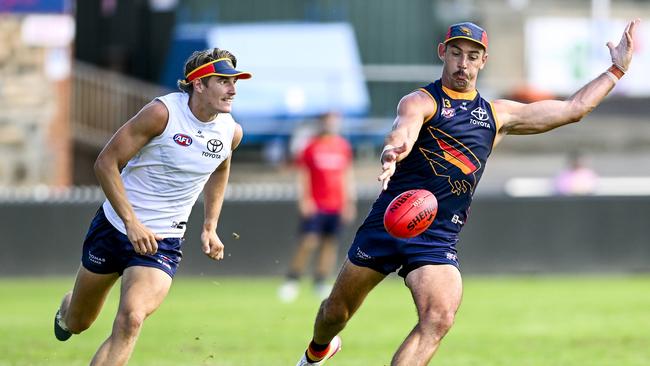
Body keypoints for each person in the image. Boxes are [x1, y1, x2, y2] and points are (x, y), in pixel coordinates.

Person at [295, 19, 640, 366]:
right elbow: (405, 127)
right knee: (335, 314)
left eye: (473, 56)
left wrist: (616, 69)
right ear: (442, 53)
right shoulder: (422, 100)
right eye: (457, 53)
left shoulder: (495, 115)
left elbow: (572, 109)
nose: (464, 63)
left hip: (437, 237)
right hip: (389, 223)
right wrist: (394, 149)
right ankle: (317, 352)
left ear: (483, 61)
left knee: (439, 317)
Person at [53, 48, 251, 365]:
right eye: (223, 81)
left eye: (235, 82)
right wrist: (131, 223)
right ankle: (68, 309)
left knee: (131, 319)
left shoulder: (231, 131)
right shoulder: (162, 114)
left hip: (163, 241)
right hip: (115, 228)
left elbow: (220, 167)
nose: (233, 89)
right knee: (78, 322)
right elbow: (106, 163)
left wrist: (210, 225)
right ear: (199, 84)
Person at [278, 112, 356, 302]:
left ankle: (320, 281)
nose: (331, 124)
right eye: (328, 121)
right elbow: (303, 174)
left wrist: (349, 202)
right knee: (309, 241)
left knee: (330, 243)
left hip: (336, 204)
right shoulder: (311, 146)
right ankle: (292, 279)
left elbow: (347, 175)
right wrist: (304, 199)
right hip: (316, 203)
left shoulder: (343, 146)